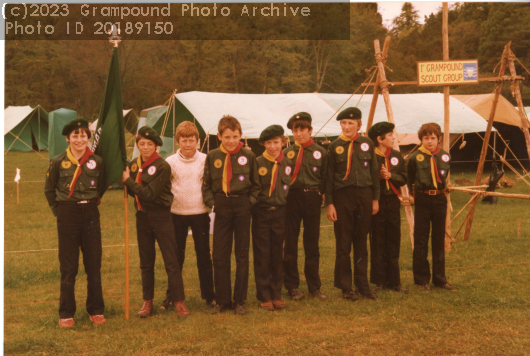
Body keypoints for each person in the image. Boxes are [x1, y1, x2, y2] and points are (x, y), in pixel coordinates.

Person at [121, 126, 190, 318]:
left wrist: (128, 181)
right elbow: (133, 192)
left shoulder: (162, 166)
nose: (145, 147)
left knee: (171, 260)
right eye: (141, 143)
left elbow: (148, 194)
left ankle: (179, 302)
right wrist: (126, 179)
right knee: (146, 261)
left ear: (156, 146)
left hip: (161, 217)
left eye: (149, 144)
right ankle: (147, 301)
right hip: (142, 217)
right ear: (137, 145)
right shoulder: (133, 165)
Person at [44, 118, 106, 328]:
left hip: (90, 212)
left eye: (83, 135)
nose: (79, 139)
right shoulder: (57, 161)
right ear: (67, 138)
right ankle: (66, 313)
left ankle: (96, 310)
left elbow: (102, 185)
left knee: (93, 264)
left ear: (88, 138)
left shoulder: (97, 160)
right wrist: (59, 212)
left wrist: (90, 204)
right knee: (69, 266)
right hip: (67, 213)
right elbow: (49, 190)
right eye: (75, 135)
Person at [202, 115, 261, 315]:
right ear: (219, 136)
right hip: (222, 206)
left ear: (241, 135)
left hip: (242, 206)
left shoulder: (249, 156)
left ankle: (239, 301)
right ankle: (222, 301)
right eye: (226, 137)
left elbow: (256, 186)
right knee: (220, 256)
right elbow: (206, 186)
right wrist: (214, 204)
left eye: (235, 136)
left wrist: (249, 203)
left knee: (242, 255)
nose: (231, 141)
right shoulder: (212, 156)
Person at [325, 107, 380, 301]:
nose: (347, 126)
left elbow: (374, 173)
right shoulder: (334, 146)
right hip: (342, 197)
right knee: (343, 243)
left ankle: (363, 285)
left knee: (361, 242)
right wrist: (330, 203)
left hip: (364, 196)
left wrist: (375, 199)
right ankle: (346, 287)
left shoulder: (366, 144)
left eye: (351, 123)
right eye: (343, 123)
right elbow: (329, 177)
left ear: (359, 124)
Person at [160, 121, 215, 310]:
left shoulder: (206, 160)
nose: (188, 144)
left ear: (197, 141)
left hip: (200, 214)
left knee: (204, 257)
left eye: (192, 140)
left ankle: (209, 296)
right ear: (178, 142)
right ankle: (172, 297)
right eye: (184, 140)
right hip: (176, 215)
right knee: (176, 258)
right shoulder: (170, 162)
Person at [282, 112, 328, 302]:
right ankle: (292, 287)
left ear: (310, 130)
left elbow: (325, 178)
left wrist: (323, 196)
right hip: (291, 199)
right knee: (290, 244)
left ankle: (314, 287)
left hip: (312, 198)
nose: (299, 133)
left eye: (303, 129)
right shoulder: (286, 153)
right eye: (295, 130)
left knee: (312, 243)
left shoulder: (321, 152)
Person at [407, 123, 456, 292]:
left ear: (439, 139)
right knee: (421, 240)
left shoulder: (445, 156)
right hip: (422, 198)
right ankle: (422, 280)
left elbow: (444, 176)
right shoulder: (414, 157)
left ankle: (440, 279)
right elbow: (409, 178)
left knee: (438, 240)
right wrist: (412, 196)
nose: (429, 141)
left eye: (433, 138)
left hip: (440, 198)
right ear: (421, 139)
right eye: (426, 138)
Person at [253, 125, 291, 311]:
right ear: (263, 144)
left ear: (282, 142)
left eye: (276, 142)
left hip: (280, 213)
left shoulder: (287, 163)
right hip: (261, 212)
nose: (273, 146)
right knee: (262, 253)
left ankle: (276, 292)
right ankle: (264, 294)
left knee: (277, 253)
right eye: (269, 142)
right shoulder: (257, 162)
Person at [367, 122, 408, 294]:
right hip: (376, 202)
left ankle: (395, 282)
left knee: (393, 240)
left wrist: (391, 175)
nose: (393, 137)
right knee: (377, 240)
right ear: (379, 138)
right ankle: (379, 281)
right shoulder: (370, 157)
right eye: (390, 135)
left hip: (392, 202)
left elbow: (404, 177)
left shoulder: (397, 156)